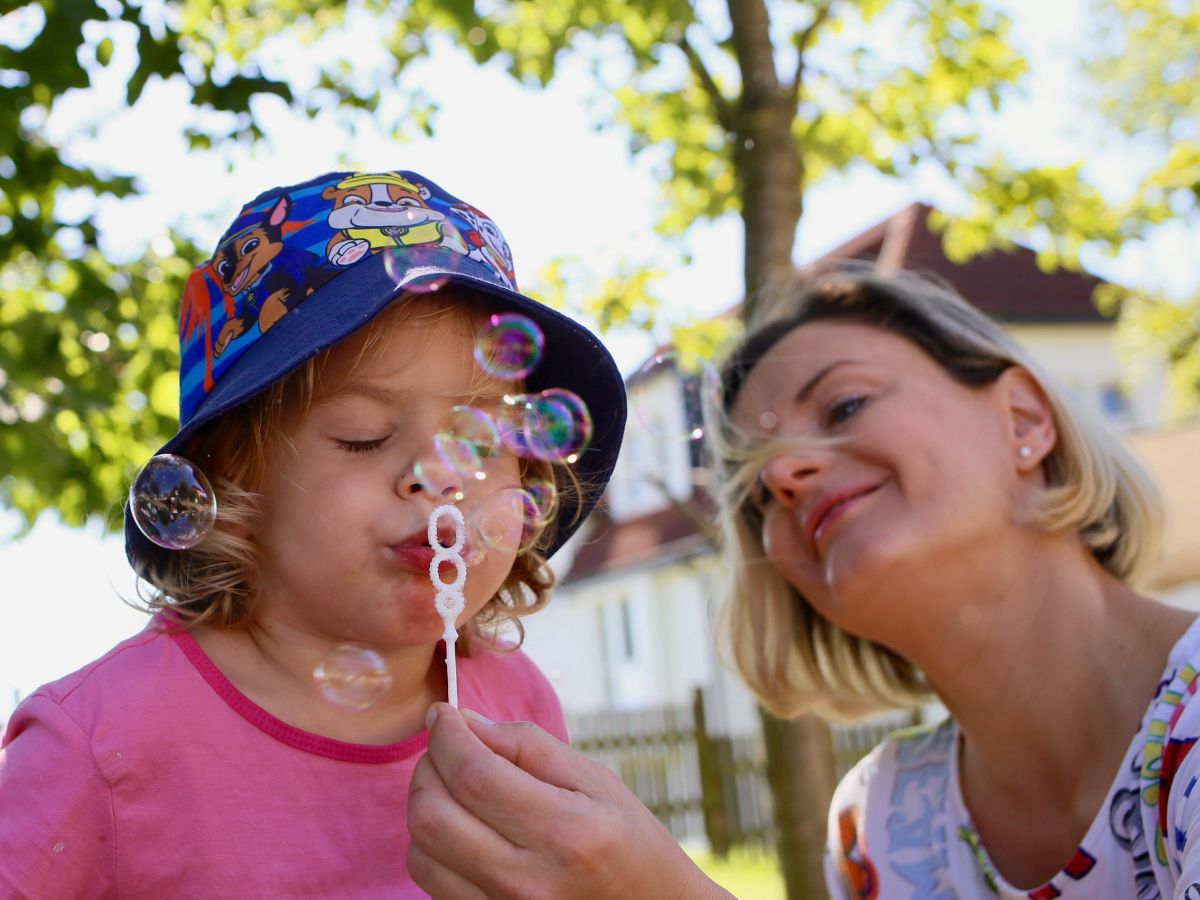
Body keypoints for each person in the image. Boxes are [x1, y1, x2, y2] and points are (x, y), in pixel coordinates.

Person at [407, 265, 1200, 899]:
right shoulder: (879, 823)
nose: (784, 473)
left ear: (1024, 421)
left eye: (845, 404)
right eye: (753, 495)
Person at [0, 168, 626, 897]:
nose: (440, 476)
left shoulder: (516, 704)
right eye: (364, 435)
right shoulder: (102, 744)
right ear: (233, 483)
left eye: (483, 439)